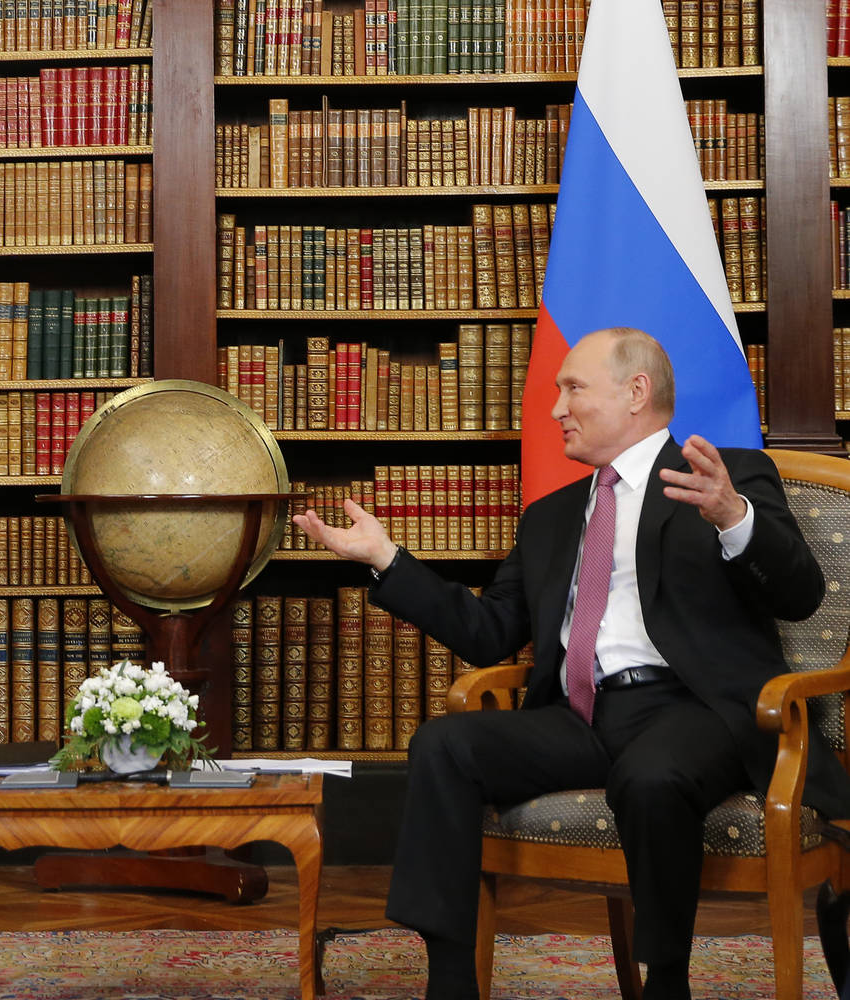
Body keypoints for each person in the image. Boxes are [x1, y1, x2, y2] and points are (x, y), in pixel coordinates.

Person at [294, 327, 850, 1000]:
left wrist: (735, 518)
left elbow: (801, 596)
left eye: (573, 388)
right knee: (444, 744)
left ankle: (665, 980)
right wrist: (387, 560)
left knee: (652, 775)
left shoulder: (726, 479)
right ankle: (450, 980)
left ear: (636, 392)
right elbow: (488, 633)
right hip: (580, 716)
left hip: (696, 710)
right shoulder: (551, 517)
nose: (556, 408)